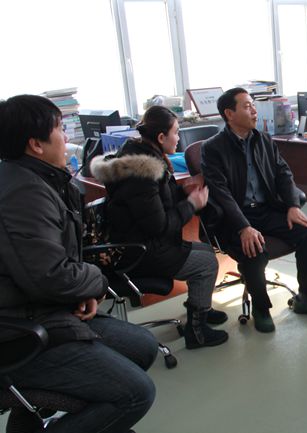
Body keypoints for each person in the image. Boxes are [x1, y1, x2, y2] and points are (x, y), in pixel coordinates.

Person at [0, 94, 158, 433]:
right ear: (35, 144)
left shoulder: (42, 180)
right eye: (59, 128)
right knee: (136, 394)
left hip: (46, 309)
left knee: (142, 348)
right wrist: (96, 282)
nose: (66, 136)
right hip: (19, 331)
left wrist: (80, 290)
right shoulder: (23, 194)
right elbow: (50, 275)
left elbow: (55, 263)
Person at [91, 105, 228, 349]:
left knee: (206, 251)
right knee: (206, 264)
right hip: (141, 251)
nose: (179, 138)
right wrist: (192, 204)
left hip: (143, 241)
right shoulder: (143, 174)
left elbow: (157, 203)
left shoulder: (141, 156)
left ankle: (201, 309)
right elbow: (159, 226)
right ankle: (197, 332)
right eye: (176, 133)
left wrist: (183, 192)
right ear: (161, 137)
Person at [201, 87, 307, 333]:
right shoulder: (213, 148)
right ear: (229, 114)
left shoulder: (263, 139)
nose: (254, 110)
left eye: (253, 105)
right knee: (254, 250)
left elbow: (284, 174)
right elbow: (221, 194)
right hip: (235, 217)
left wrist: (292, 206)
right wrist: (244, 227)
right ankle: (261, 309)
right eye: (247, 106)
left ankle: (306, 297)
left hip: (266, 209)